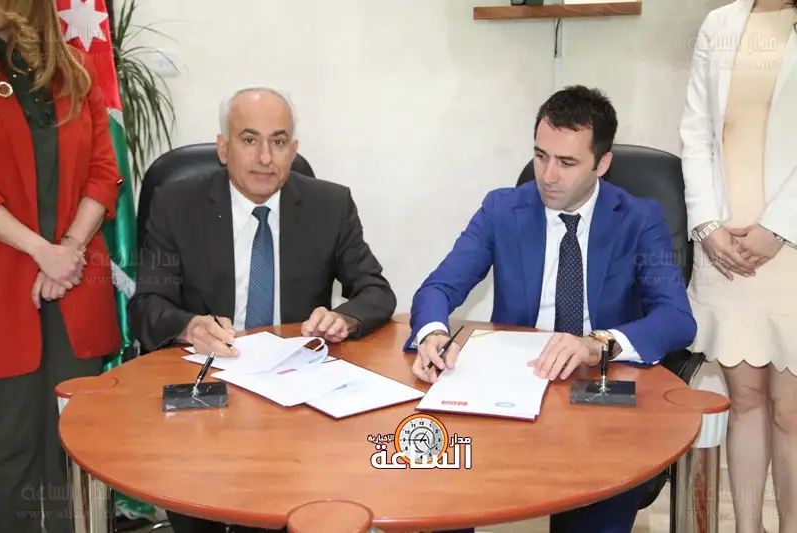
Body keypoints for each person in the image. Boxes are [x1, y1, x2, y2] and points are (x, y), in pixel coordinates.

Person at [407, 86, 697, 533]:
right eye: (540, 156)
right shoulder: (502, 208)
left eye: (567, 162)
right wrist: (431, 332)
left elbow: (676, 318)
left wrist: (597, 344)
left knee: (599, 504)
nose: (548, 175)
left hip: (597, 393)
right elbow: (439, 288)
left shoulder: (640, 218)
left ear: (602, 163)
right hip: (510, 386)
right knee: (441, 491)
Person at [127, 86, 396, 533]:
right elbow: (145, 305)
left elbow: (376, 290)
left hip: (294, 396)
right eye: (249, 140)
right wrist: (189, 326)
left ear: (294, 150)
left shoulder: (330, 205)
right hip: (207, 392)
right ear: (223, 148)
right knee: (200, 507)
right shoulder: (176, 204)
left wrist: (344, 317)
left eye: (278, 141)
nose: (265, 157)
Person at [0, 1, 123, 532]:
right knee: (11, 446)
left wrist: (67, 249)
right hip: (8, 290)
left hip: (74, 285)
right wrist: (42, 251)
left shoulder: (75, 69)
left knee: (81, 448)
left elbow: (104, 172)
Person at [680, 0, 797, 531]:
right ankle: (747, 527)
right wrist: (707, 225)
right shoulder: (720, 23)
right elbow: (696, 133)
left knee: (790, 410)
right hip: (725, 248)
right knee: (744, 399)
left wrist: (780, 228)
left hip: (788, 251)